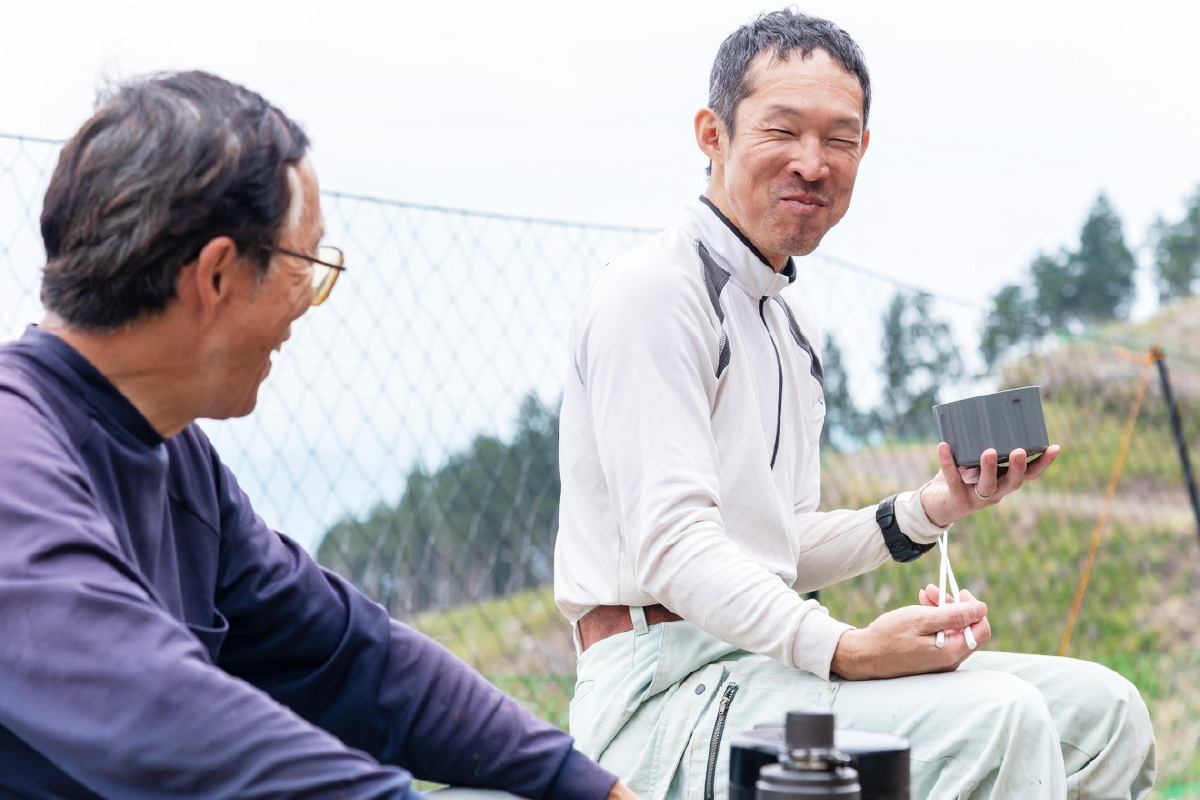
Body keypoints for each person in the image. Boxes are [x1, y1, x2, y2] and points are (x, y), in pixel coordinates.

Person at [554, 10, 1155, 800]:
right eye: (782, 131)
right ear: (712, 134)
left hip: (761, 665)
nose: (812, 162)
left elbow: (777, 545)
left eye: (839, 139)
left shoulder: (789, 321)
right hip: (658, 700)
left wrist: (931, 508)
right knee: (998, 716)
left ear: (862, 151)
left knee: (1105, 712)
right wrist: (847, 648)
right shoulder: (655, 293)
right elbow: (673, 547)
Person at [0, 70, 641, 800]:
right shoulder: (13, 455)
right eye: (306, 264)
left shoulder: (173, 455)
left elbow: (355, 660)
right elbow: (148, 706)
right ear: (215, 276)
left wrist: (586, 786)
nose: (310, 302)